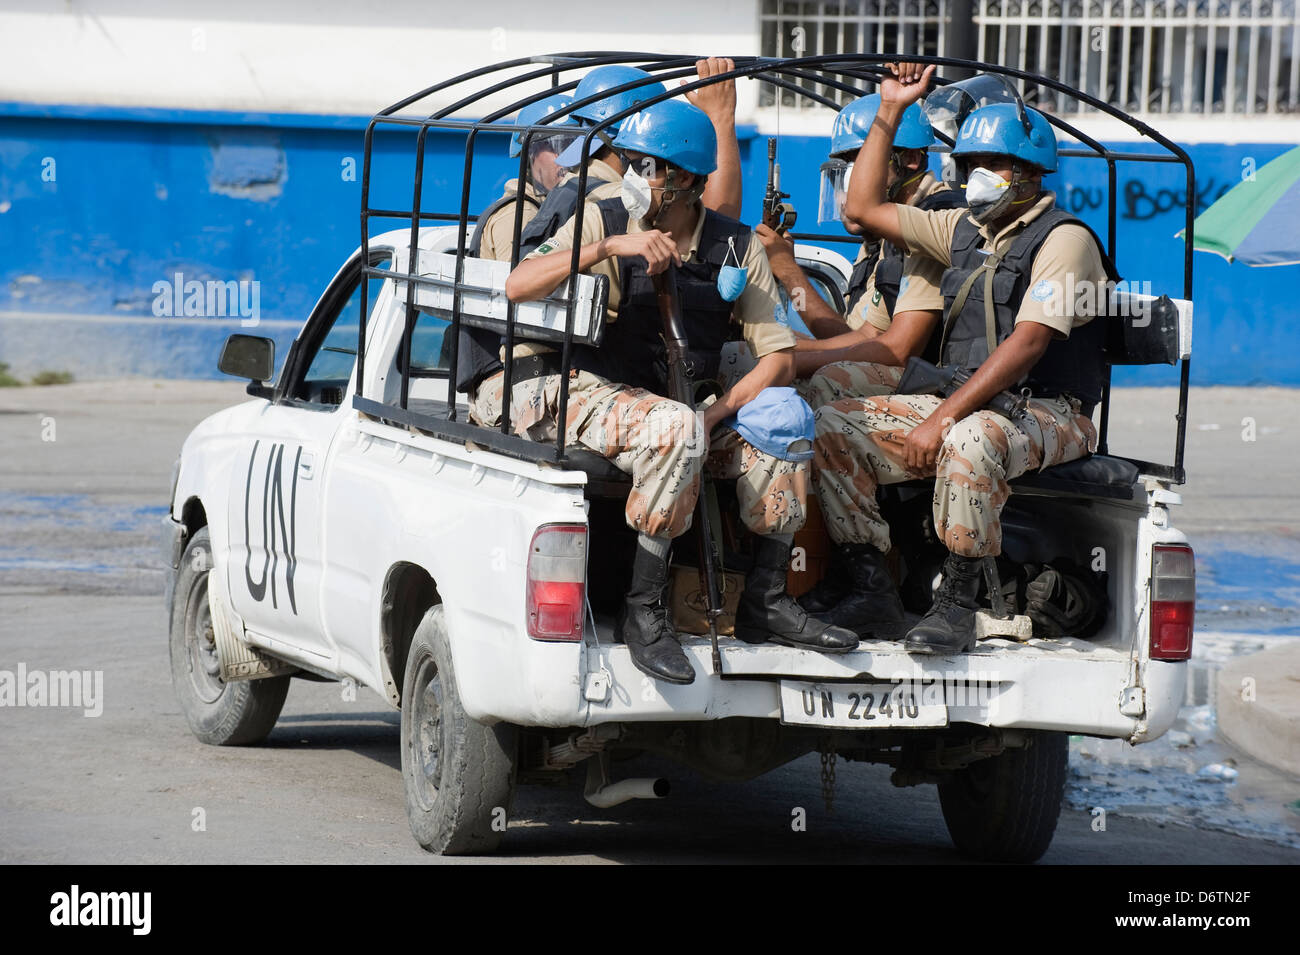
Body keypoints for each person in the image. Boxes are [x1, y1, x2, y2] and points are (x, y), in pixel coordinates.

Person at [500, 98, 858, 685]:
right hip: (599, 393)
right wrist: (607, 249)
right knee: (675, 427)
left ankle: (766, 599)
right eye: (635, 162)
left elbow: (778, 357)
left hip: (688, 408)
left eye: (652, 166)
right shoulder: (606, 216)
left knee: (786, 420)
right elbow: (518, 284)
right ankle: (644, 611)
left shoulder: (737, 246)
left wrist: (717, 413)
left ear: (687, 179)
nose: (638, 176)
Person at [809, 62, 1117, 653]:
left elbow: (1027, 343)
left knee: (970, 438)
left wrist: (941, 414)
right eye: (969, 165)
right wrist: (891, 112)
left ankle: (955, 603)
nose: (975, 177)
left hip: (1050, 412)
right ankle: (870, 583)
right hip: (971, 402)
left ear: (1026, 173)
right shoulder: (964, 230)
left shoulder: (1064, 240)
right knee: (835, 426)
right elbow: (866, 207)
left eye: (989, 166)